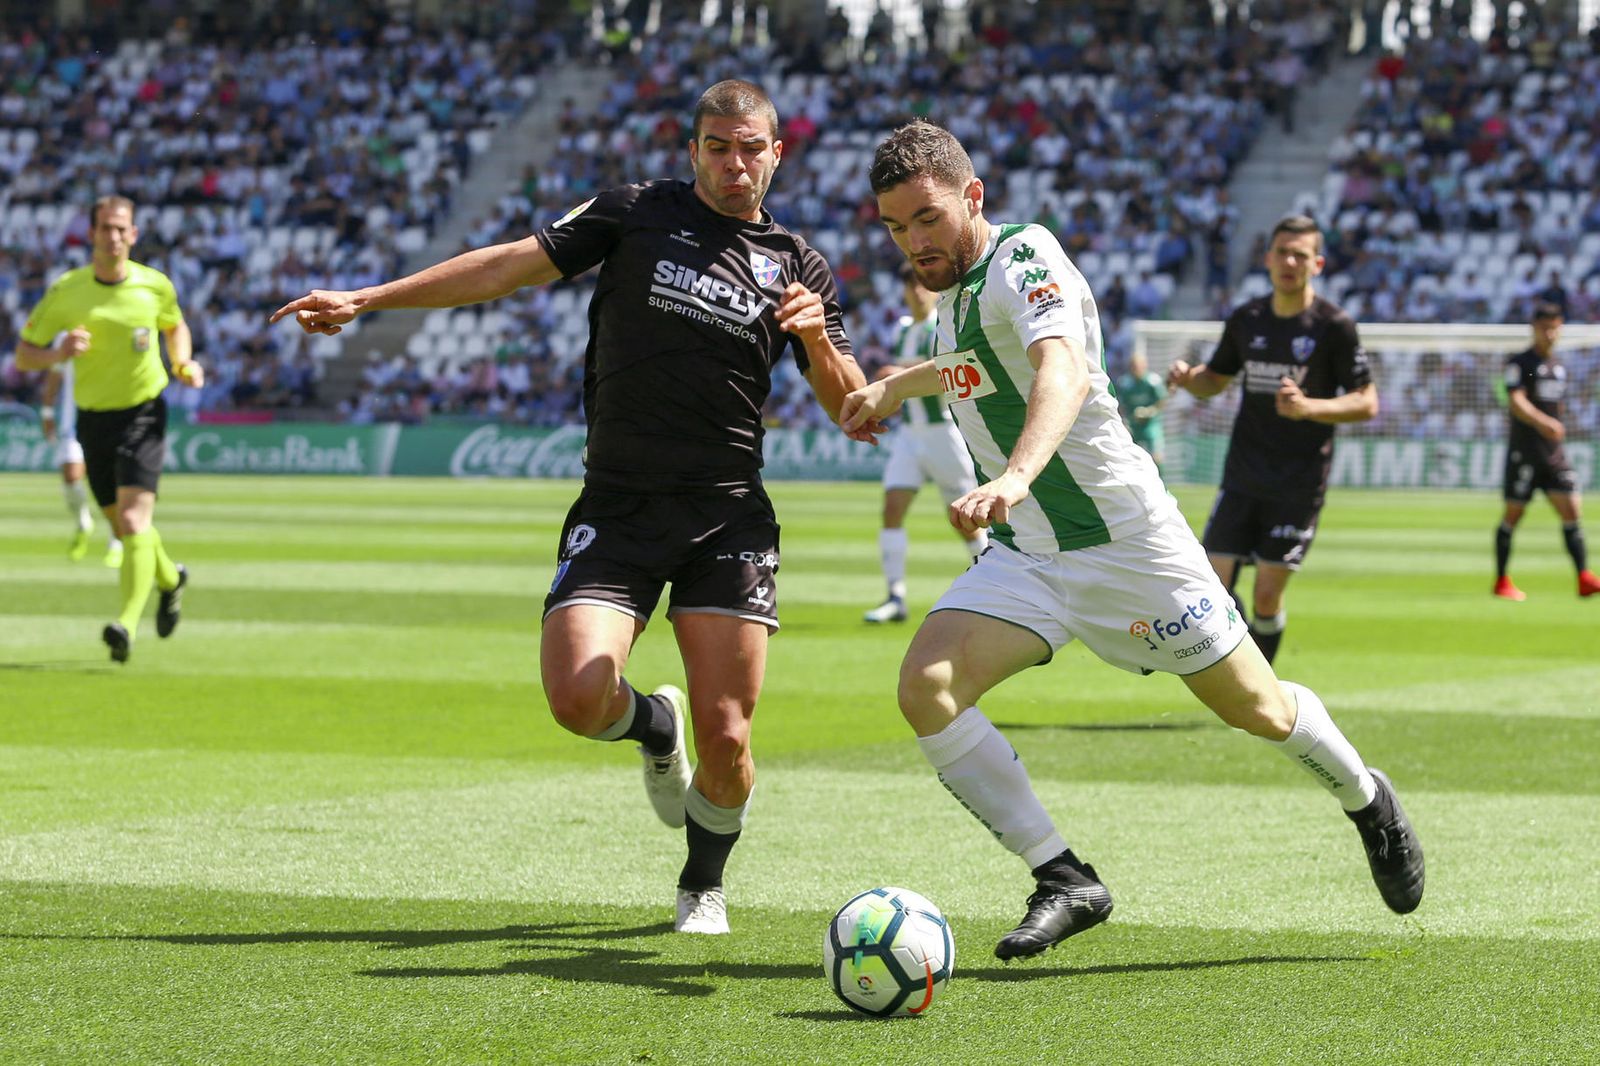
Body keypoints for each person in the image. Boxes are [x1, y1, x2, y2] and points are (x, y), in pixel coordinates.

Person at [272, 80, 871, 935]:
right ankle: (653, 725)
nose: (734, 163)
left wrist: (814, 336)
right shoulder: (634, 213)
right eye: (716, 146)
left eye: (750, 148)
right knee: (578, 699)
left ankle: (702, 882)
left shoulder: (800, 266)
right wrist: (368, 299)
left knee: (731, 741)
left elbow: (853, 411)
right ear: (692, 151)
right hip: (619, 505)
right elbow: (510, 265)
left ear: (778, 153)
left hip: (726, 515)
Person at [839, 121, 1422, 962]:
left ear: (971, 197)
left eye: (926, 218)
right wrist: (900, 385)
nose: (913, 242)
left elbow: (1060, 370)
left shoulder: (1024, 257)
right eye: (895, 228)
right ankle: (1063, 877)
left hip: (1127, 543)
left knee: (1259, 710)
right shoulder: (954, 301)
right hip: (1033, 555)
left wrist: (1015, 477)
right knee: (926, 686)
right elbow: (975, 364)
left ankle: (1369, 798)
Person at [1166, 215, 1378, 666]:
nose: (1289, 261)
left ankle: (1262, 684)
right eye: (1282, 252)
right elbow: (1215, 381)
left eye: (1300, 254)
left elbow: (1367, 402)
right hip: (1243, 474)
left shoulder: (1333, 326)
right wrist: (1189, 379)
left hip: (1298, 483)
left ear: (1317, 264)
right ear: (1267, 258)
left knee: (1265, 596)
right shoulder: (1247, 319)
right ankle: (1240, 677)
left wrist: (1310, 408)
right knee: (1212, 590)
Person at [15, 195, 201, 663]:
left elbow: (174, 326)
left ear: (133, 235)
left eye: (122, 228)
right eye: (105, 228)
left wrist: (182, 362)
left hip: (143, 413)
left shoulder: (154, 286)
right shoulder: (66, 291)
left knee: (135, 523)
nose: (114, 236)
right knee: (122, 525)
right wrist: (59, 354)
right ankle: (171, 580)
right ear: (92, 234)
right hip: (92, 420)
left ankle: (126, 625)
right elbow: (24, 354)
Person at [864, 264, 988, 624]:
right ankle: (895, 597)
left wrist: (898, 375)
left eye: (921, 286)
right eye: (910, 287)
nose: (917, 292)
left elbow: (948, 367)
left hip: (944, 434)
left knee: (967, 520)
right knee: (891, 509)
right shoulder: (903, 329)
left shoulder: (941, 324)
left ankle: (991, 586)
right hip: (910, 435)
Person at [1493, 303, 1600, 600]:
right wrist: (1545, 423)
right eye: (1545, 328)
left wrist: (1556, 424)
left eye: (1555, 327)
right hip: (1525, 452)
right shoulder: (1520, 363)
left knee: (1572, 509)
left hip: (1553, 453)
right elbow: (1516, 401)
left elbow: (1556, 406)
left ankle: (1583, 577)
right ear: (1534, 328)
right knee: (1513, 515)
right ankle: (1501, 580)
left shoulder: (1559, 368)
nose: (1550, 334)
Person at [38, 360, 123, 566]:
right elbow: (54, 374)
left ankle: (116, 541)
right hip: (74, 420)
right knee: (71, 476)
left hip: (113, 418)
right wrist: (47, 412)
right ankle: (83, 522)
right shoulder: (67, 334)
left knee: (115, 480)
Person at [1115, 349, 1166, 475]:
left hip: (1150, 425)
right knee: (1130, 458)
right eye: (1133, 367)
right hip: (1133, 425)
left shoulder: (1153, 382)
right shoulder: (1124, 383)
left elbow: (1162, 400)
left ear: (1145, 366)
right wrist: (1123, 421)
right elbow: (1119, 404)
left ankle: (1162, 484)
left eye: (1138, 366)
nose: (1136, 369)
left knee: (1156, 456)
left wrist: (1150, 411)